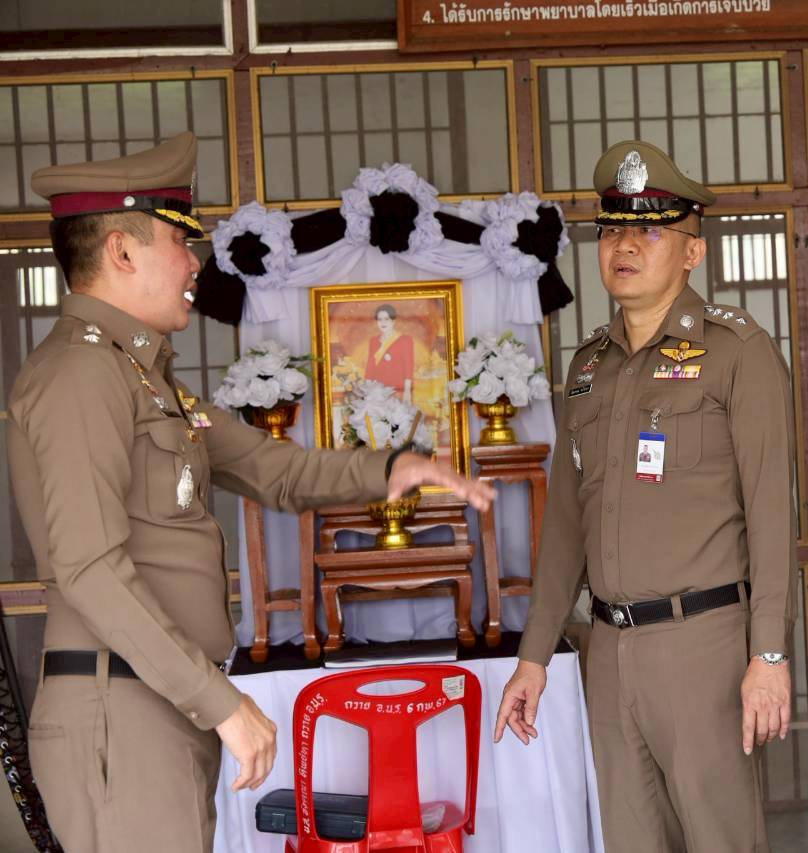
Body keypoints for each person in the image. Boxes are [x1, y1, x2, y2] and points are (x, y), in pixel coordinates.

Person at [6, 132, 494, 852]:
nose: (194, 263)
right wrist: (220, 703)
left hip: (156, 702)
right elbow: (89, 568)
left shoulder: (141, 376)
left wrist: (392, 469)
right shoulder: (81, 375)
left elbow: (275, 470)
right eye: (180, 241)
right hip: (123, 709)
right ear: (121, 251)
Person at [493, 139, 797, 853]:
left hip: (703, 649)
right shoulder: (588, 368)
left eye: (650, 231)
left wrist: (770, 655)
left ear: (693, 251)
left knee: (721, 840)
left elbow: (772, 513)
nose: (625, 245)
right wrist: (535, 655)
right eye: (612, 230)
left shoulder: (736, 351)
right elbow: (565, 525)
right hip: (608, 650)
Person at [364, 303, 414, 395]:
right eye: (380, 319)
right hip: (377, 392)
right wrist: (368, 392)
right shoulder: (373, 341)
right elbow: (370, 368)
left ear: (393, 321)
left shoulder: (405, 340)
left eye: (386, 319)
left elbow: (408, 368)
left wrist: (407, 392)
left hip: (397, 391)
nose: (383, 323)